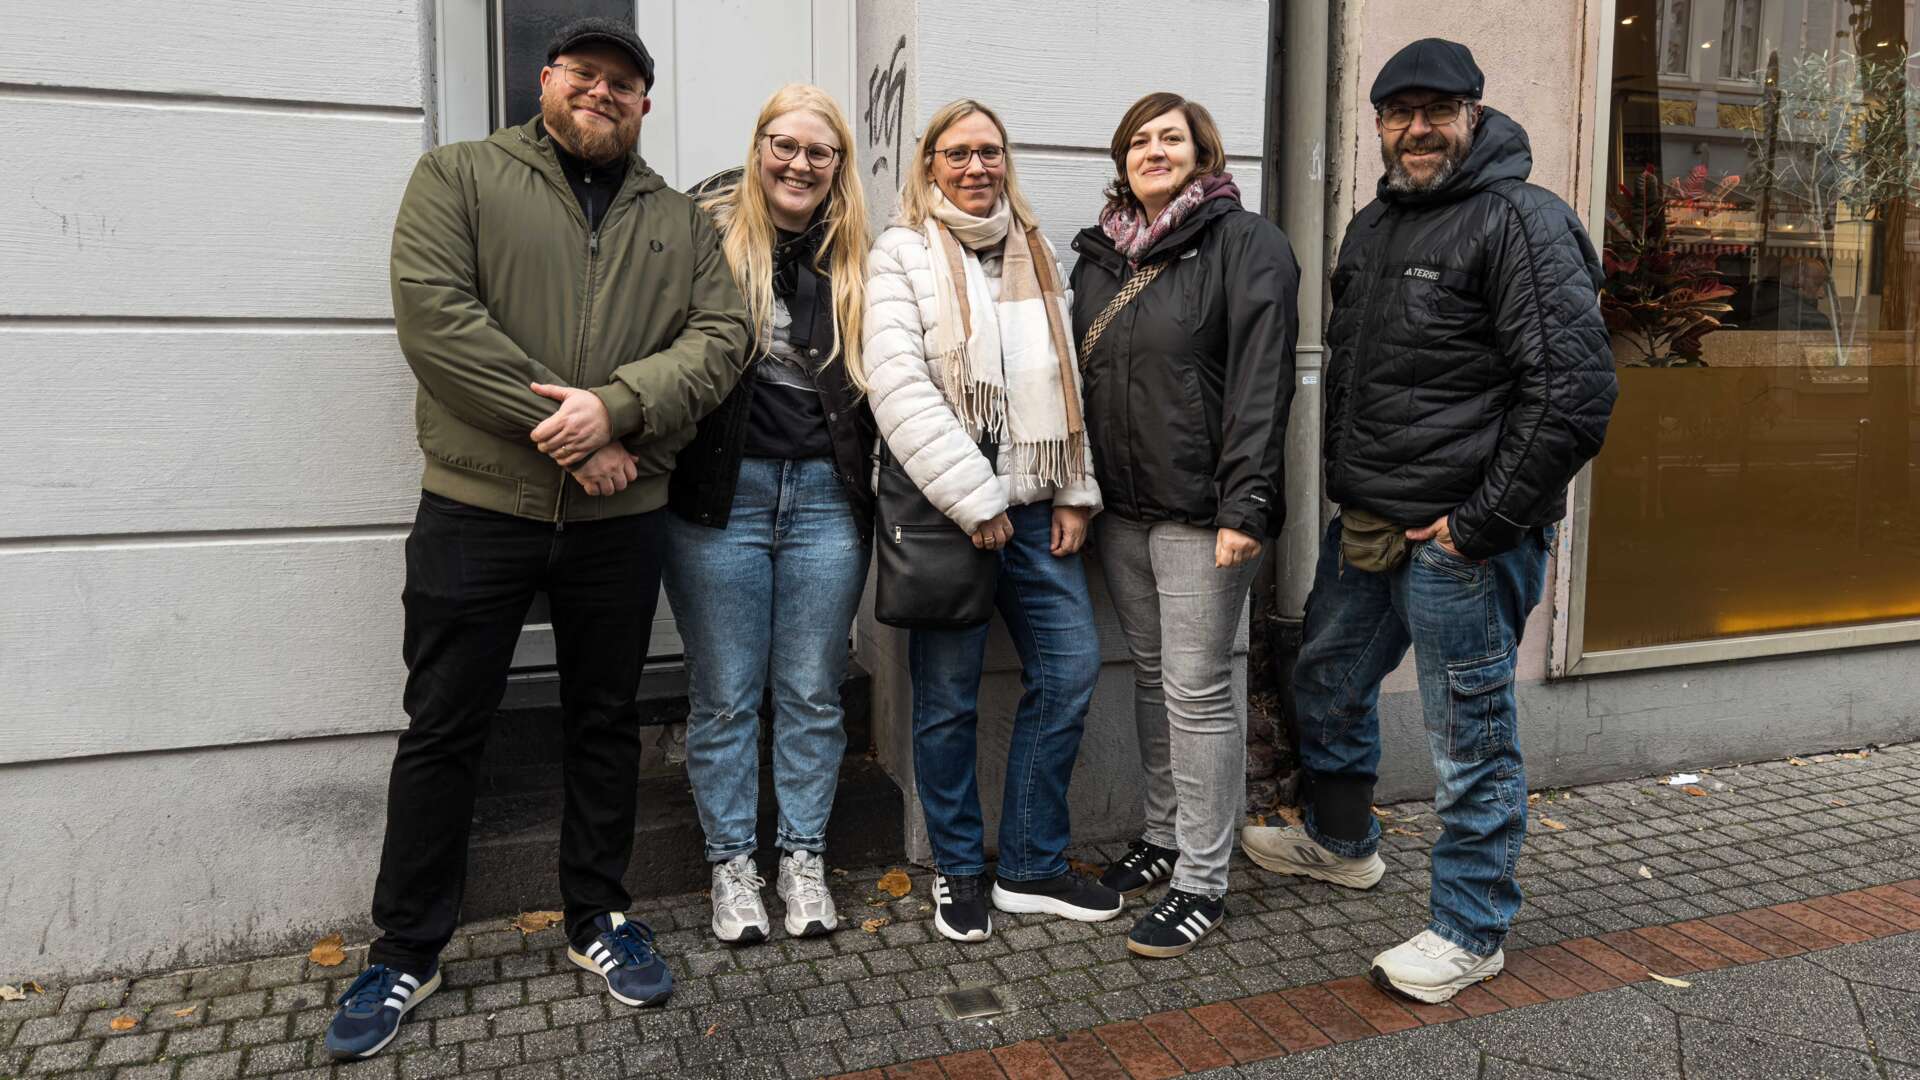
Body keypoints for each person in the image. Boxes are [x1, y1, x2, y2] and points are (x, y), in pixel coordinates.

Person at [325, 17, 751, 1060]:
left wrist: (620, 411)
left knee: (603, 721)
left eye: (624, 82)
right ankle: (407, 949)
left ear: (645, 104)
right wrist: (572, 437)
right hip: (478, 511)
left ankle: (597, 917)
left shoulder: (684, 221)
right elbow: (436, 318)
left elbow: (722, 338)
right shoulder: (459, 176)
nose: (602, 92)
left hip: (620, 522)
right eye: (584, 74)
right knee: (443, 726)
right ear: (546, 81)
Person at [1239, 38, 1617, 1003]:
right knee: (1325, 676)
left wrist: (1478, 526)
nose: (1416, 128)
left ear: (1474, 116)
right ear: (1378, 123)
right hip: (1369, 521)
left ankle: (1470, 927)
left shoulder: (1522, 221)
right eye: (1398, 112)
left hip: (1460, 543)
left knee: (1470, 736)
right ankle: (1342, 842)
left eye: (1436, 110)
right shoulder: (1373, 225)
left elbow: (1571, 395)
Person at [863, 99, 1121, 942]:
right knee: (945, 704)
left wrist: (1076, 489)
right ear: (929, 165)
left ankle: (1032, 865)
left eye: (989, 153)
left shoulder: (1035, 252)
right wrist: (975, 501)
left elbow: (1066, 381)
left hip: (1040, 512)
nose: (976, 168)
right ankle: (960, 870)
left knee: (1072, 670)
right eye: (957, 154)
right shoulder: (900, 254)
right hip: (952, 518)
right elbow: (896, 389)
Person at [1070, 93, 1300, 959]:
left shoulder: (1246, 243)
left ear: (1204, 154)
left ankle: (1204, 879)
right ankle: (1164, 837)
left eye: (1171, 137)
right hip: (1123, 512)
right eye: (1138, 139)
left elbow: (1261, 383)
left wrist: (1245, 506)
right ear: (1121, 158)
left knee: (1199, 694)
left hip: (1205, 516)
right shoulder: (1102, 256)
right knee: (1154, 680)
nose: (1152, 149)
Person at [664, 84, 874, 945]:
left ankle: (802, 857)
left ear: (838, 166)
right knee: (723, 698)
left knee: (813, 693)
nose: (799, 163)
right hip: (723, 496)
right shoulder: (702, 237)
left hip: (826, 499)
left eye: (818, 151)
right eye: (783, 145)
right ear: (758, 150)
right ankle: (731, 868)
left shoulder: (861, 252)